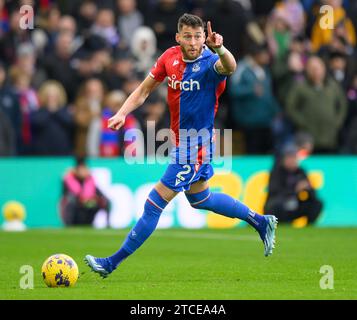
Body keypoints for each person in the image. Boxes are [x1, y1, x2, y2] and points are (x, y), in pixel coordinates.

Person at [84, 13, 278, 278]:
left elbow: (230, 67)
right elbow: (143, 91)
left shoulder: (211, 62)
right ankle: (261, 221)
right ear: (178, 37)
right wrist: (121, 113)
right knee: (201, 199)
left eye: (198, 37)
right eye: (188, 36)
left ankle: (111, 263)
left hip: (194, 147)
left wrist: (219, 47)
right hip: (181, 142)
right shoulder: (169, 58)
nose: (194, 42)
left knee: (154, 204)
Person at [264, 144, 323, 224]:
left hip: (295, 203)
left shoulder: (300, 171)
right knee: (276, 204)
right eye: (289, 157)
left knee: (317, 203)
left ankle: (309, 226)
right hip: (280, 205)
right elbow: (275, 192)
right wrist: (295, 190)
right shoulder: (277, 172)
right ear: (283, 159)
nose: (292, 160)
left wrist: (307, 189)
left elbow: (313, 193)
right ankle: (278, 224)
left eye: (294, 157)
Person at [60, 157, 110, 226]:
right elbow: (66, 195)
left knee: (105, 201)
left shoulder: (90, 179)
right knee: (71, 201)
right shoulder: (70, 179)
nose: (84, 171)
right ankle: (69, 225)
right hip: (76, 206)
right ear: (77, 170)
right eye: (82, 169)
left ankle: (107, 224)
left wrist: (98, 199)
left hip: (88, 204)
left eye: (85, 168)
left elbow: (98, 193)